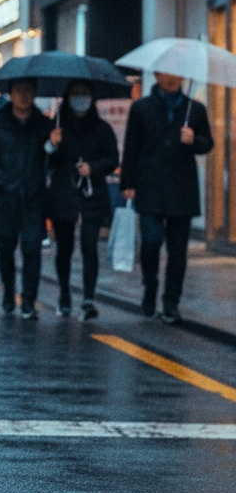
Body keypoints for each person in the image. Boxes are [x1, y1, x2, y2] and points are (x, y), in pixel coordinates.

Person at [120, 72, 213, 323]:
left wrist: (194, 139)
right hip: (150, 186)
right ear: (157, 76)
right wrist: (127, 182)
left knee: (178, 251)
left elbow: (208, 143)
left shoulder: (195, 109)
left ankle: (171, 302)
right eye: (165, 74)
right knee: (151, 240)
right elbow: (131, 147)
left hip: (182, 189)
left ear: (183, 77)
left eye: (175, 74)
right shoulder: (142, 108)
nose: (170, 79)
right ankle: (150, 285)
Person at [0, 78, 55, 319]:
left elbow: (52, 161)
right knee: (5, 249)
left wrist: (53, 146)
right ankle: (9, 291)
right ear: (10, 94)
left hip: (33, 198)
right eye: (18, 91)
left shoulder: (45, 125)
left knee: (32, 250)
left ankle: (29, 300)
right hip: (5, 197)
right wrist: (1, 179)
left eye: (28, 91)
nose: (23, 96)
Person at [46, 82, 119, 320]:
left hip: (92, 194)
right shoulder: (56, 126)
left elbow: (112, 158)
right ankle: (65, 294)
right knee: (64, 248)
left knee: (89, 246)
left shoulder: (101, 128)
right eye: (76, 94)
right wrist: (51, 145)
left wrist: (93, 168)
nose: (81, 99)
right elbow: (45, 161)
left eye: (85, 94)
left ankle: (88, 299)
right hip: (63, 194)